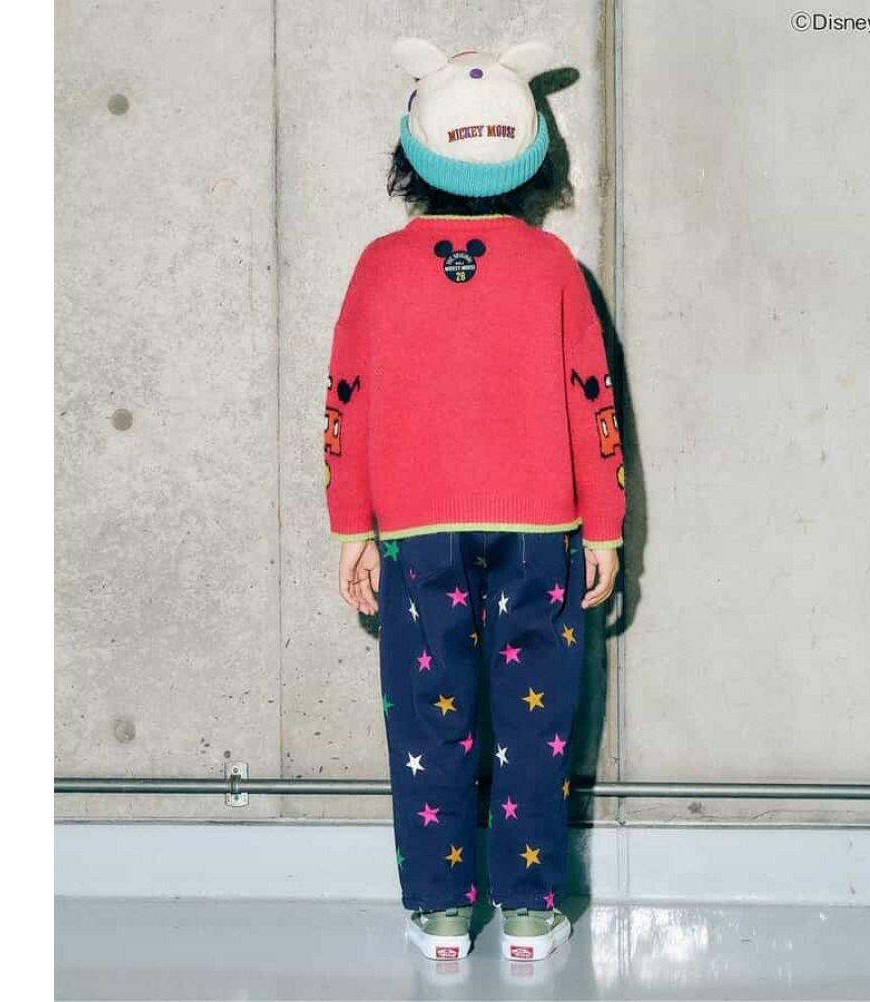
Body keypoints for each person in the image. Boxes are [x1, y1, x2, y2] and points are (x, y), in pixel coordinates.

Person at [322, 37, 626, 963]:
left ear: (414, 151)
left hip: (416, 533)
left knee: (430, 721)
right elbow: (593, 401)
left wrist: (351, 526)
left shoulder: (379, 265)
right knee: (538, 724)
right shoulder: (553, 266)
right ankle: (530, 916)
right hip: (542, 531)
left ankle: (442, 918)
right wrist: (606, 526)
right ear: (530, 154)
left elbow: (347, 401)